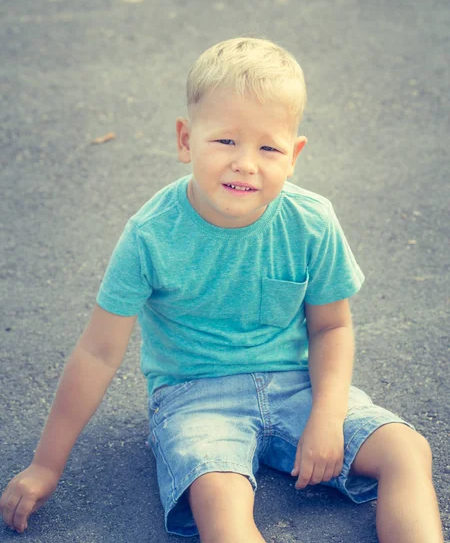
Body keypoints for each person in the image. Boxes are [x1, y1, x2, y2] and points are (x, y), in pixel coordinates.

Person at [0, 37, 444, 543]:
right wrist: (45, 466)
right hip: (195, 396)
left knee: (408, 451)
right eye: (226, 141)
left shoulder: (311, 221)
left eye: (269, 147)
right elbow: (99, 352)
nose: (246, 163)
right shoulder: (150, 234)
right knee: (221, 496)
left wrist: (327, 415)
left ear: (294, 155)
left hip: (297, 385)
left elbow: (331, 325)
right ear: (186, 140)